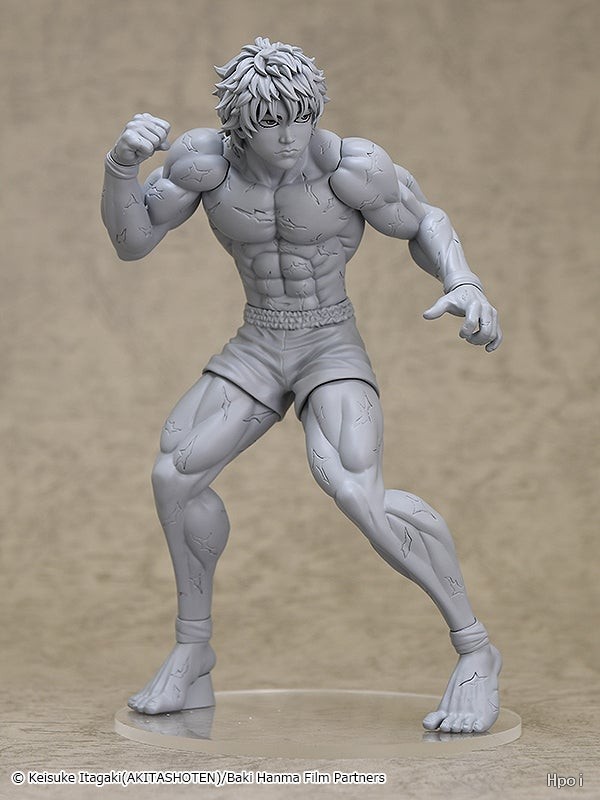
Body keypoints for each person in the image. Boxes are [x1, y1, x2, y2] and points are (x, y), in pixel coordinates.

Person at [101, 37, 502, 734]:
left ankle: (476, 650)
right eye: (269, 123)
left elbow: (424, 218)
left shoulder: (351, 167)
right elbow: (132, 241)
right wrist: (120, 167)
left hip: (327, 340)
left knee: (355, 490)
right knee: (174, 477)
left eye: (301, 118)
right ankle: (193, 649)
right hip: (259, 341)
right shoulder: (203, 163)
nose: (289, 137)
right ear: (238, 124)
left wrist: (462, 280)